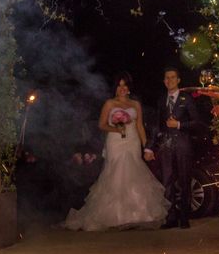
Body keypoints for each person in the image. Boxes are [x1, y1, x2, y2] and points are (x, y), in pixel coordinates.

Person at [65, 72, 169, 231]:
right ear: (115, 88)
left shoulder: (135, 105)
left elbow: (140, 126)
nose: (122, 88)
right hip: (115, 141)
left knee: (134, 173)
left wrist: (146, 147)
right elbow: (101, 125)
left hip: (132, 140)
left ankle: (137, 214)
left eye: (124, 85)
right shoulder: (109, 104)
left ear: (128, 88)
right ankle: (114, 216)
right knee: (116, 174)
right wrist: (115, 127)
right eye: (119, 85)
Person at [144, 67, 202, 229]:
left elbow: (197, 122)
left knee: (184, 180)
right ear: (164, 81)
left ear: (178, 80)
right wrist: (150, 147)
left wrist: (178, 124)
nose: (169, 80)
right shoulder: (161, 100)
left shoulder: (186, 99)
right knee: (167, 181)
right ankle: (171, 217)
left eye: (172, 77)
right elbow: (156, 125)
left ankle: (184, 216)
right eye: (166, 78)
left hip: (183, 144)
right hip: (166, 146)